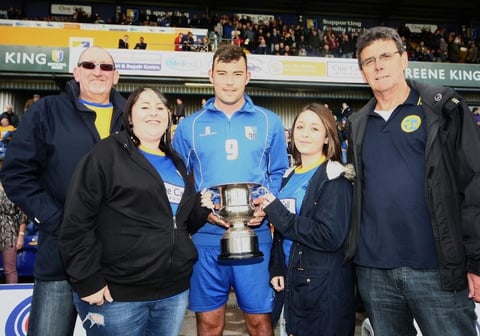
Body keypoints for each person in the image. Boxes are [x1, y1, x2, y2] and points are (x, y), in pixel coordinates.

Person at [345, 26, 480, 335]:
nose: (378, 66)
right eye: (369, 61)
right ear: (362, 72)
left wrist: (476, 262)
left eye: (386, 56)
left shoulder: (442, 108)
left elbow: (474, 185)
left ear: (404, 59)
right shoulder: (357, 124)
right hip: (375, 272)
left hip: (436, 270)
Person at [59, 87, 210, 336]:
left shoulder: (176, 163)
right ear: (129, 117)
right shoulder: (107, 154)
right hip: (118, 295)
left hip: (172, 293)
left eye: (160, 107)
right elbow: (77, 220)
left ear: (169, 117)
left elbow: (176, 225)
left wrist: (201, 209)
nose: (154, 112)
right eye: (144, 106)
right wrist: (87, 280)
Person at [0, 46, 126, 336]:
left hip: (116, 262)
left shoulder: (132, 117)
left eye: (106, 67)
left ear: (116, 76)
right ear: (77, 72)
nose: (98, 71)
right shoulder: (47, 111)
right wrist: (57, 220)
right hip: (59, 257)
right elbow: (16, 174)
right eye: (89, 65)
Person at [173, 44, 289, 336]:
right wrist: (199, 212)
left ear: (247, 76)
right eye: (222, 73)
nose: (229, 81)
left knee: (260, 323)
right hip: (205, 238)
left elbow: (277, 172)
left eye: (236, 73)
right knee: (209, 323)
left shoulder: (269, 122)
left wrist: (265, 207)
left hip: (255, 237)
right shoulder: (189, 126)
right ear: (210, 75)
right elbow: (178, 180)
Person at [261, 103, 355, 335]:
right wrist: (277, 269)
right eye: (300, 126)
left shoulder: (335, 177)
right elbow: (280, 235)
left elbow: (330, 236)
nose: (304, 133)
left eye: (314, 128)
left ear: (327, 137)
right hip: (292, 285)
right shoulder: (289, 175)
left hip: (323, 290)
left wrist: (278, 212)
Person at [0, 182, 27, 284]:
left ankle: (11, 295)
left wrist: (21, 235)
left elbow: (23, 214)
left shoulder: (14, 187)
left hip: (9, 232)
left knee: (9, 269)